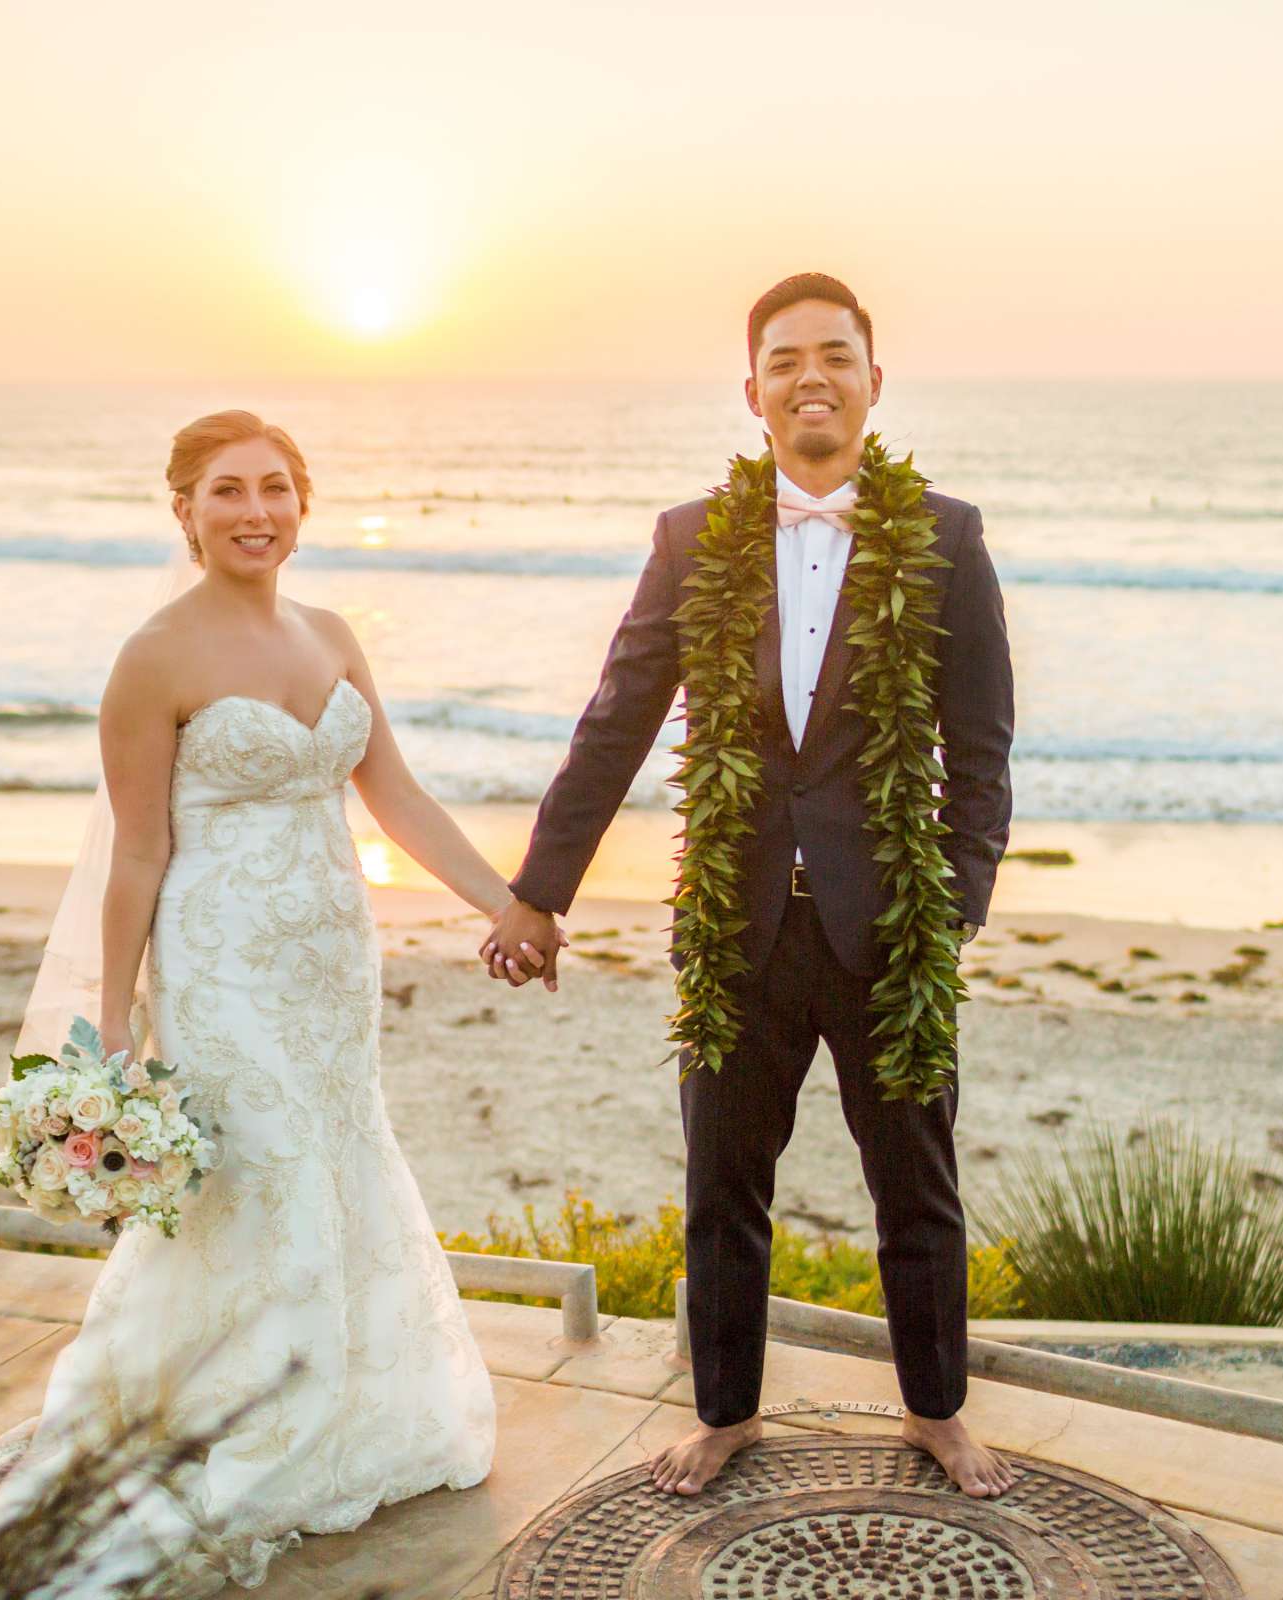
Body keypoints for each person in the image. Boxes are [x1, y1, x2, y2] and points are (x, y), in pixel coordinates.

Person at [482, 274, 1017, 1498]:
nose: (811, 377)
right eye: (786, 360)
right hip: (735, 926)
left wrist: (957, 907)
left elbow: (980, 748)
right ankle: (723, 1413)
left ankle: (936, 1409)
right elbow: (615, 721)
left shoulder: (946, 535)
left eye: (837, 355)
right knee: (723, 1181)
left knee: (917, 1185)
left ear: (875, 382)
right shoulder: (693, 538)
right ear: (754, 390)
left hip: (892, 934)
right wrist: (538, 892)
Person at [0, 410, 502, 1594]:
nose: (255, 511)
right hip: (221, 964)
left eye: (275, 488)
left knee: (344, 1152)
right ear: (185, 513)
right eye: (226, 492)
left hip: (333, 963)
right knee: (265, 1172)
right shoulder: (154, 657)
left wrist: (502, 904)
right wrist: (110, 1020)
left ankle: (351, 1398)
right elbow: (135, 854)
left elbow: (395, 796)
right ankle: (242, 1416)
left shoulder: (334, 632)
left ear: (304, 501)